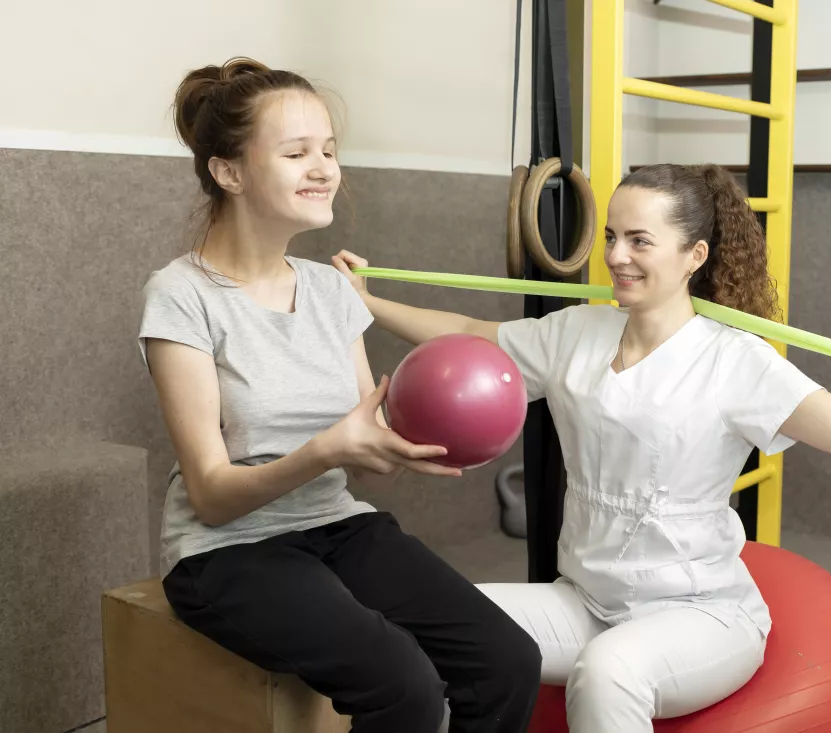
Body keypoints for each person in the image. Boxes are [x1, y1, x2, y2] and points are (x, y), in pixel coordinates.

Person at [332, 161, 831, 732]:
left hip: (700, 614)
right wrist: (367, 302)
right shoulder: (580, 332)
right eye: (612, 235)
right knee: (443, 618)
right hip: (585, 598)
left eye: (640, 240)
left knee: (610, 671)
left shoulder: (736, 360)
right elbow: (472, 331)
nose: (616, 255)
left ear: (693, 254)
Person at [138, 58, 541, 733]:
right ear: (228, 171)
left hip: (335, 524)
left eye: (328, 150)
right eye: (297, 152)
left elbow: (365, 436)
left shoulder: (329, 290)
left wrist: (404, 445)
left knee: (506, 660)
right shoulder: (180, 296)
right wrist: (328, 448)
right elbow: (209, 493)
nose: (324, 167)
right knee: (405, 685)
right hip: (226, 552)